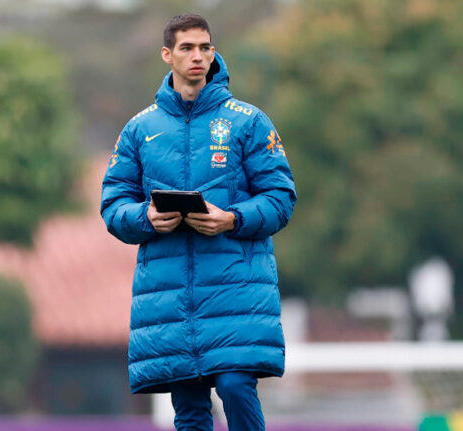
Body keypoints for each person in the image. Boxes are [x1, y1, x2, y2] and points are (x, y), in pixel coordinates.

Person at [100, 13, 296, 431]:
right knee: (189, 412)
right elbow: (113, 206)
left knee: (235, 385)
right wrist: (147, 217)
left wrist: (233, 218)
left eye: (205, 47)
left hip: (236, 290)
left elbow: (281, 198)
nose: (198, 56)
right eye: (187, 48)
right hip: (170, 297)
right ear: (167, 55)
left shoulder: (249, 121)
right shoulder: (139, 130)